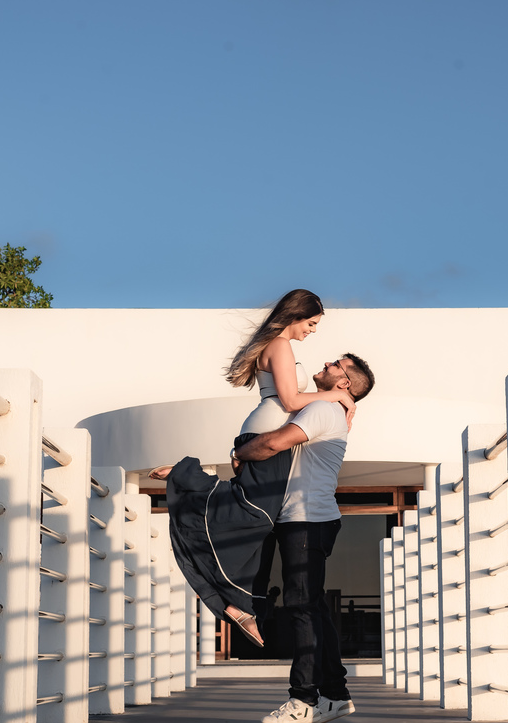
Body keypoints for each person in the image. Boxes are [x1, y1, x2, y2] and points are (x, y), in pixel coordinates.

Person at [148, 290, 355, 648]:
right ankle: (184, 474)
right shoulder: (280, 345)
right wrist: (337, 396)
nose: (313, 331)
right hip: (264, 432)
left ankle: (241, 605)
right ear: (296, 315)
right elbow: (290, 401)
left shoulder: (279, 346)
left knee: (259, 520)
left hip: (263, 429)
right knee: (251, 511)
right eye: (311, 323)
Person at [234, 354, 375, 723]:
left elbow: (274, 444)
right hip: (307, 518)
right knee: (310, 607)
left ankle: (303, 702)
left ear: (344, 382)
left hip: (306, 519)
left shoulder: (323, 412)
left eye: (335, 365)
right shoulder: (326, 407)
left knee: (301, 606)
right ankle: (335, 695)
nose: (326, 363)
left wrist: (239, 452)